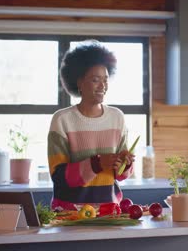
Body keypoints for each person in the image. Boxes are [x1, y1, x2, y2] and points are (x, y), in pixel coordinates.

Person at [47, 40, 135, 211]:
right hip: (69, 214)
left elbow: (121, 174)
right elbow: (59, 177)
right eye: (95, 80)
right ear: (79, 82)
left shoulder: (117, 118)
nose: (103, 86)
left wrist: (125, 165)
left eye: (105, 79)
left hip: (109, 212)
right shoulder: (62, 119)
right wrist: (97, 163)